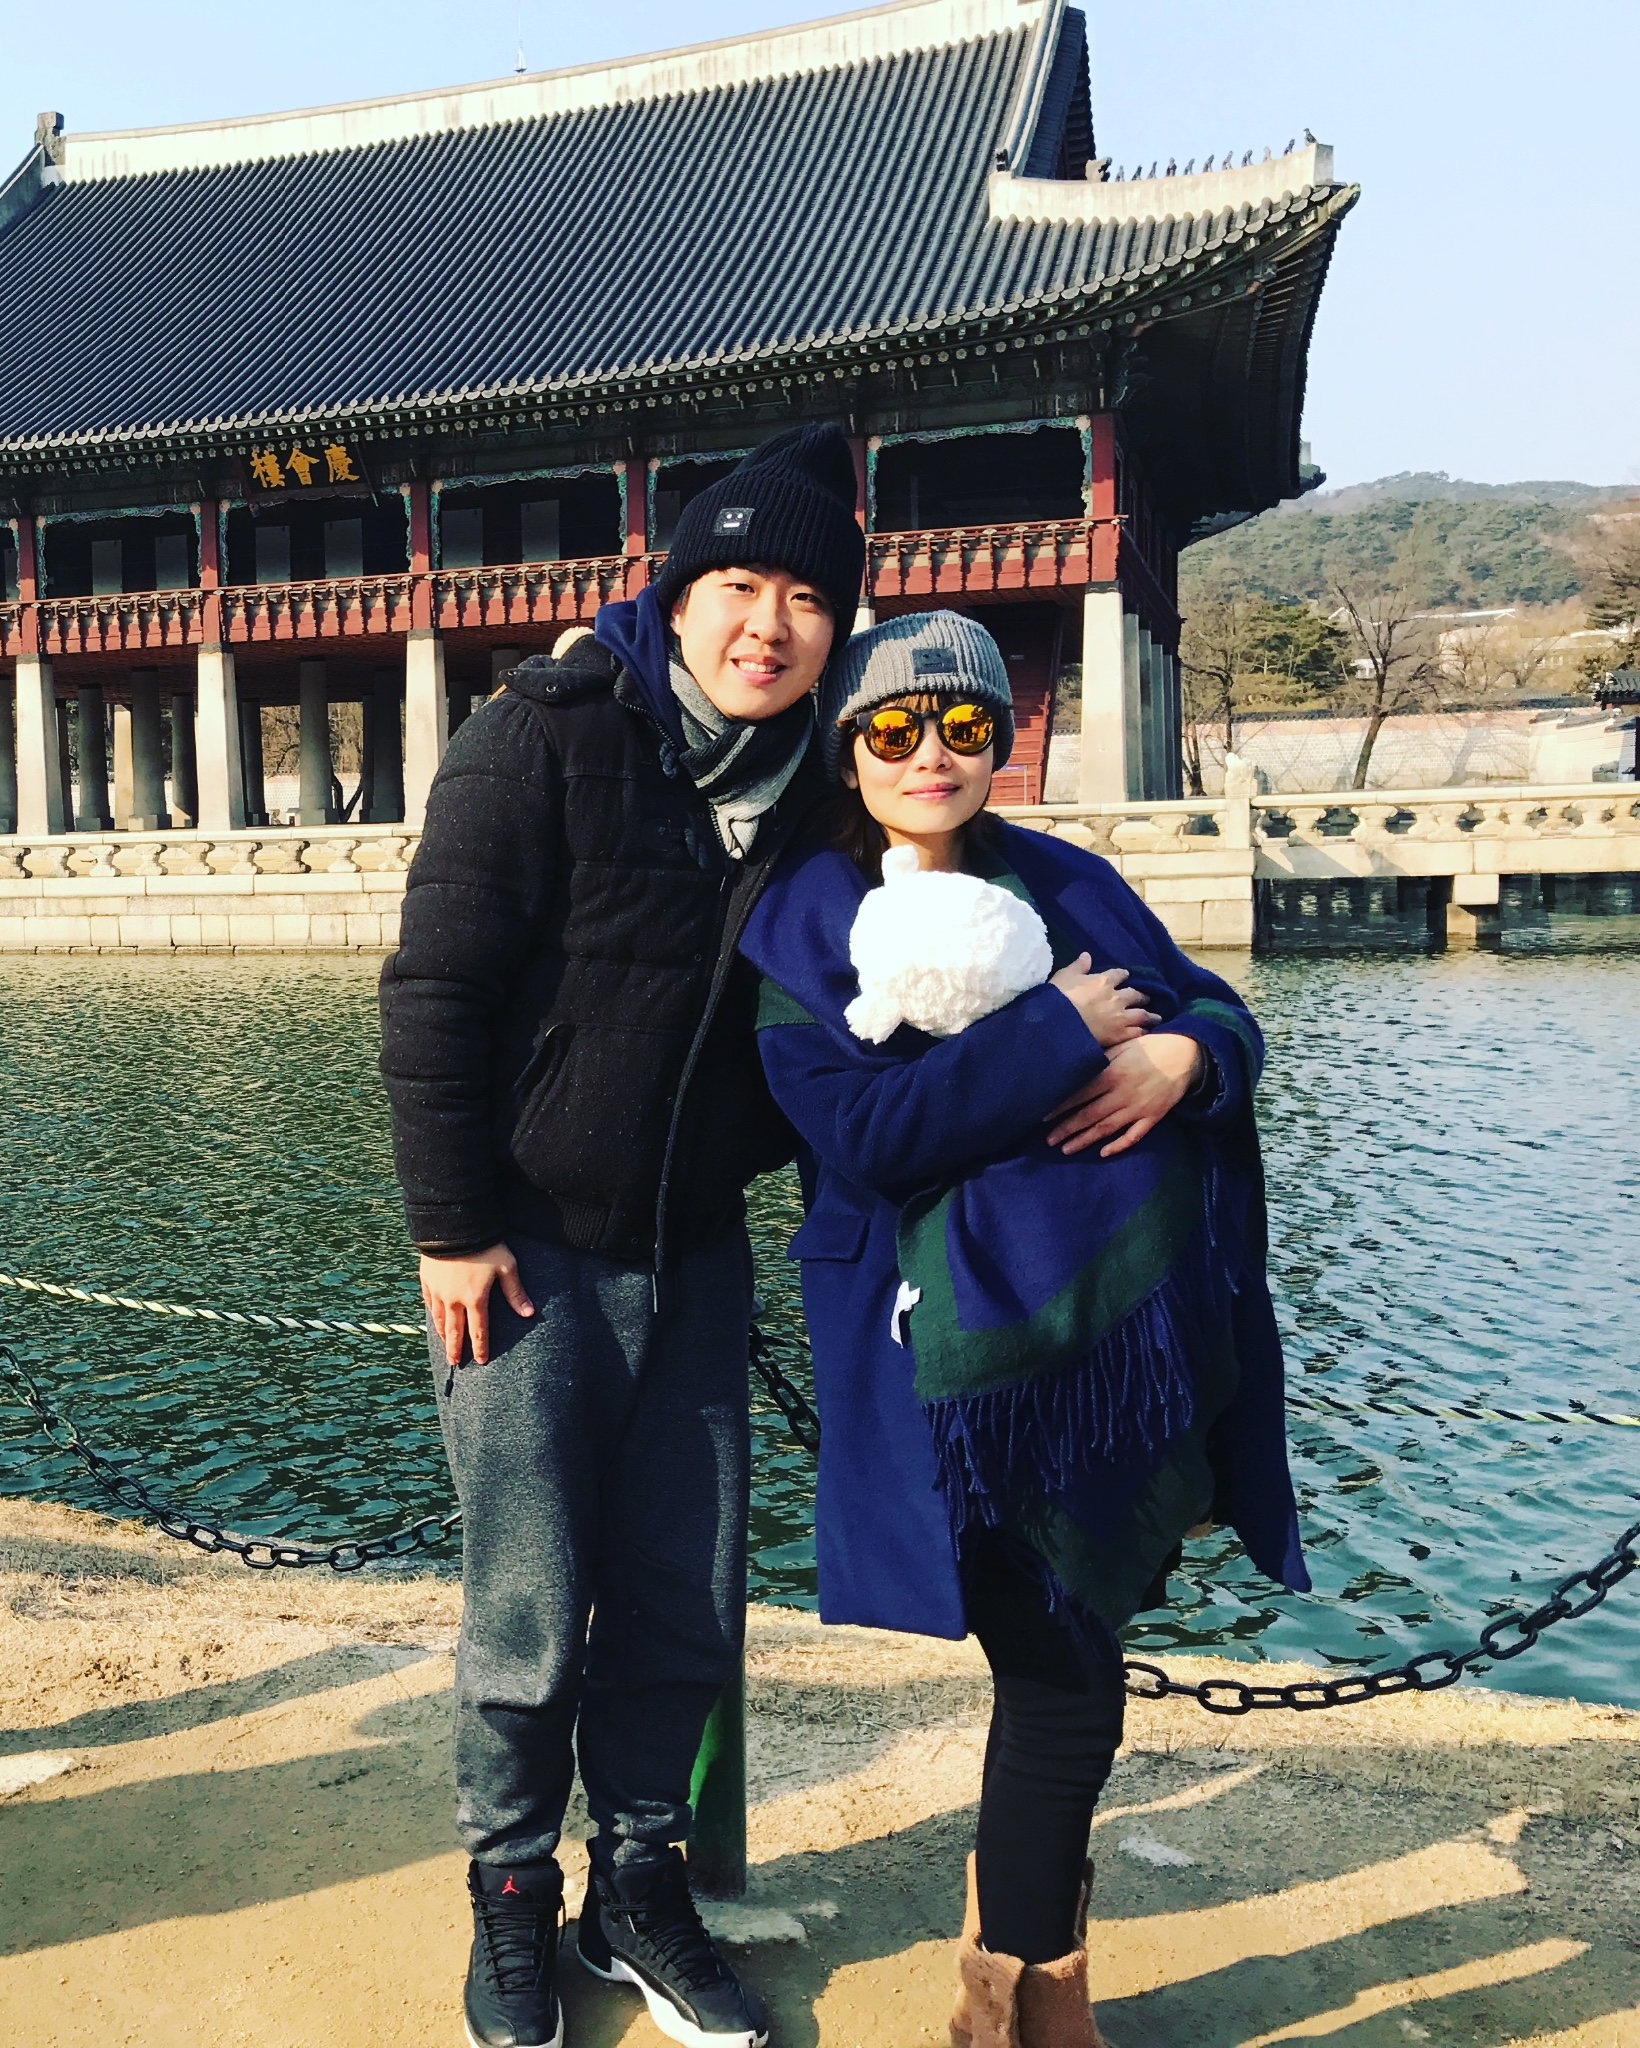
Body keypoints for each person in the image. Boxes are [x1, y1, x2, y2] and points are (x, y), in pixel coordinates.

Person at [736, 610, 1309, 2048]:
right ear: (846, 750)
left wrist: (1182, 1057)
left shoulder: (1070, 881)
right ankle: (1023, 2006)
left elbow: (1220, 1011)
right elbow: (871, 1135)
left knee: (1074, 1666)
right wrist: (1055, 1028)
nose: (929, 752)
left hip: (1108, 1347)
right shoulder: (802, 925)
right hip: (944, 1359)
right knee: (1059, 1670)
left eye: (965, 725)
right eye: (892, 727)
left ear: (1003, 739)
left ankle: (1017, 1982)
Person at [378, 424, 867, 2048]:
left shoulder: (827, 793)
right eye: (739, 585)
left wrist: (1174, 1039)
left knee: (682, 1601)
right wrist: (453, 1227)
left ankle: (639, 1887)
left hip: (698, 1256)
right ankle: (512, 1891)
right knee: (528, 1608)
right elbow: (433, 996)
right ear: (676, 593)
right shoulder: (544, 733)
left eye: (808, 597)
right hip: (524, 1259)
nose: (768, 626)